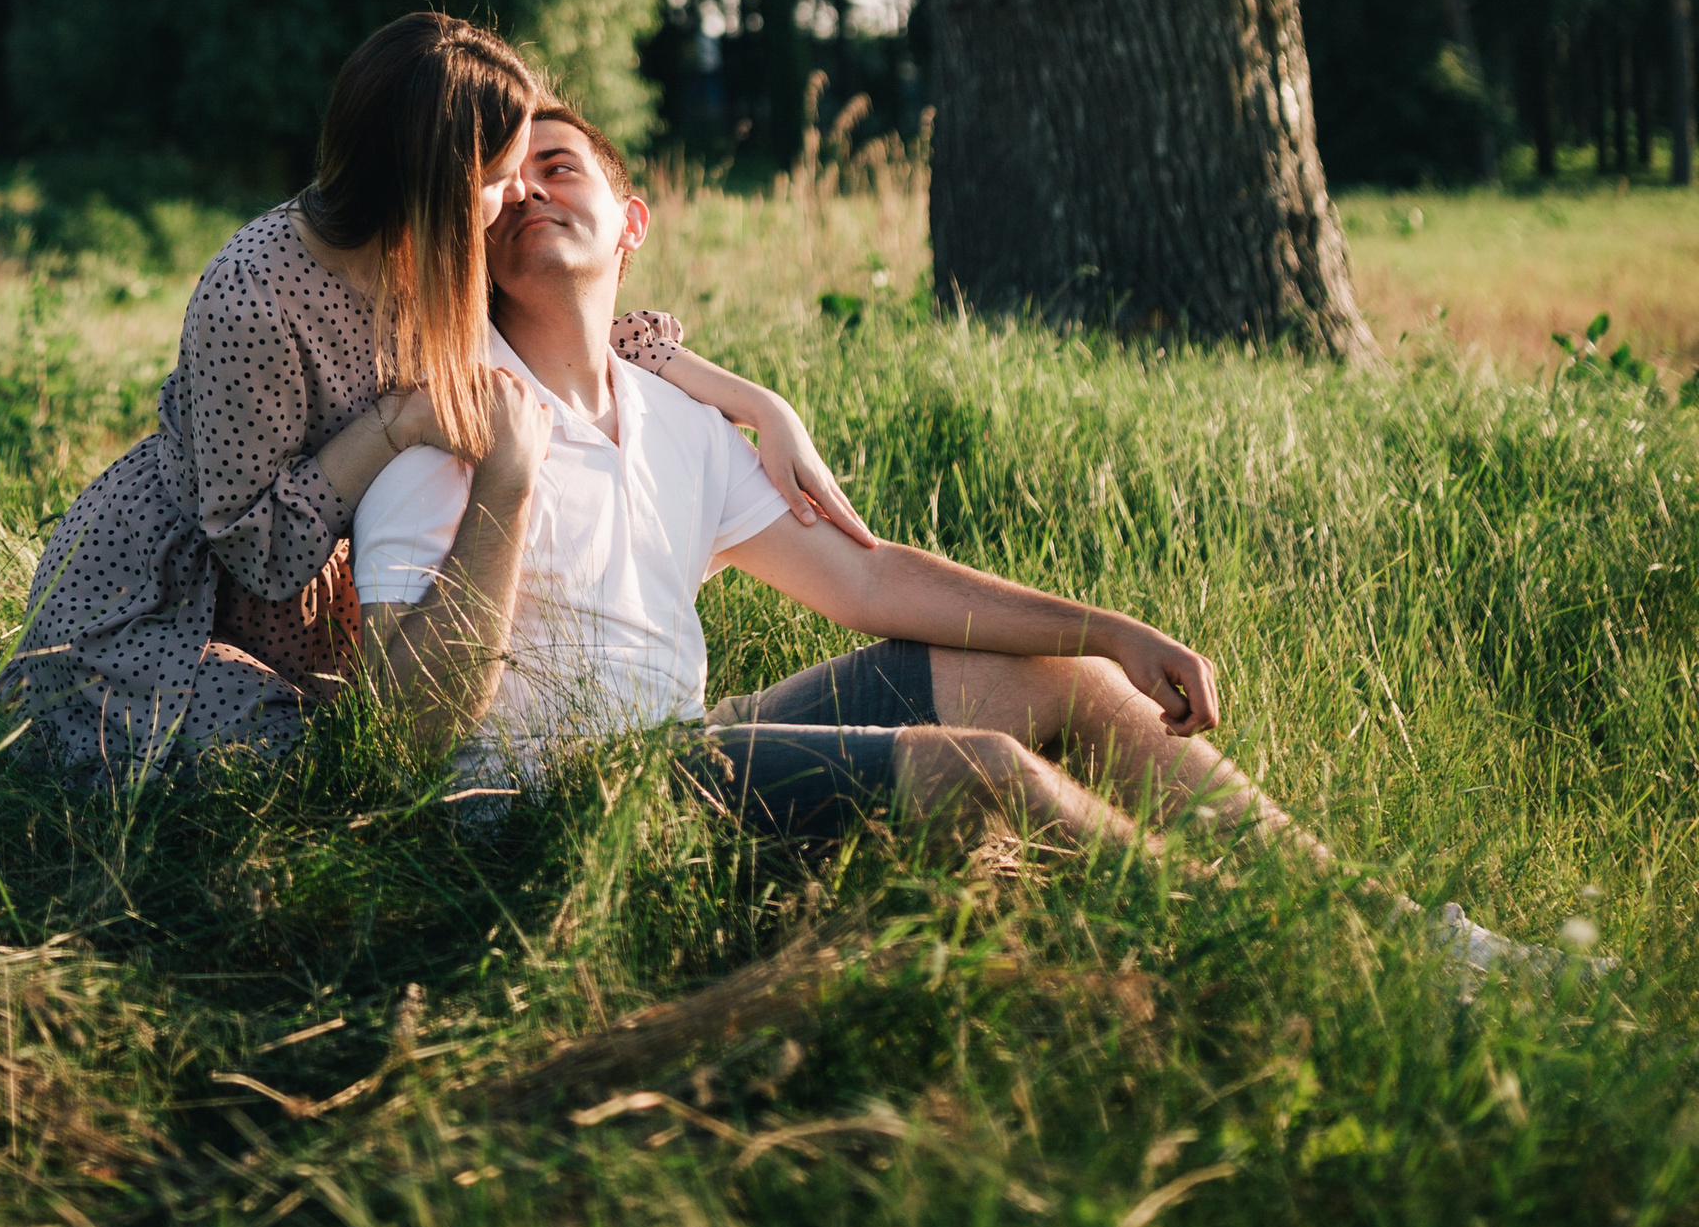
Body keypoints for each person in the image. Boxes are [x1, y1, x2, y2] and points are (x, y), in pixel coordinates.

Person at [352, 104, 1334, 861]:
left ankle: (1370, 918)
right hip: (542, 814)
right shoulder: (449, 414)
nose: (524, 191)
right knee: (981, 769)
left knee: (1060, 668)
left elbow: (865, 583)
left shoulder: (677, 419)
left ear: (630, 224)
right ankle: (1271, 947)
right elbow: (404, 737)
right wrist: (507, 484)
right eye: (500, 184)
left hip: (674, 751)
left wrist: (1111, 632)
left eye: (555, 167)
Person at [10, 18, 872, 782]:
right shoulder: (255, 298)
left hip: (314, 602)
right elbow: (254, 548)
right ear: (436, 178)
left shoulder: (435, 253)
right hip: (173, 603)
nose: (516, 199)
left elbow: (590, 335)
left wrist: (761, 406)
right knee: (321, 790)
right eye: (498, 177)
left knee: (385, 756)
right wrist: (396, 427)